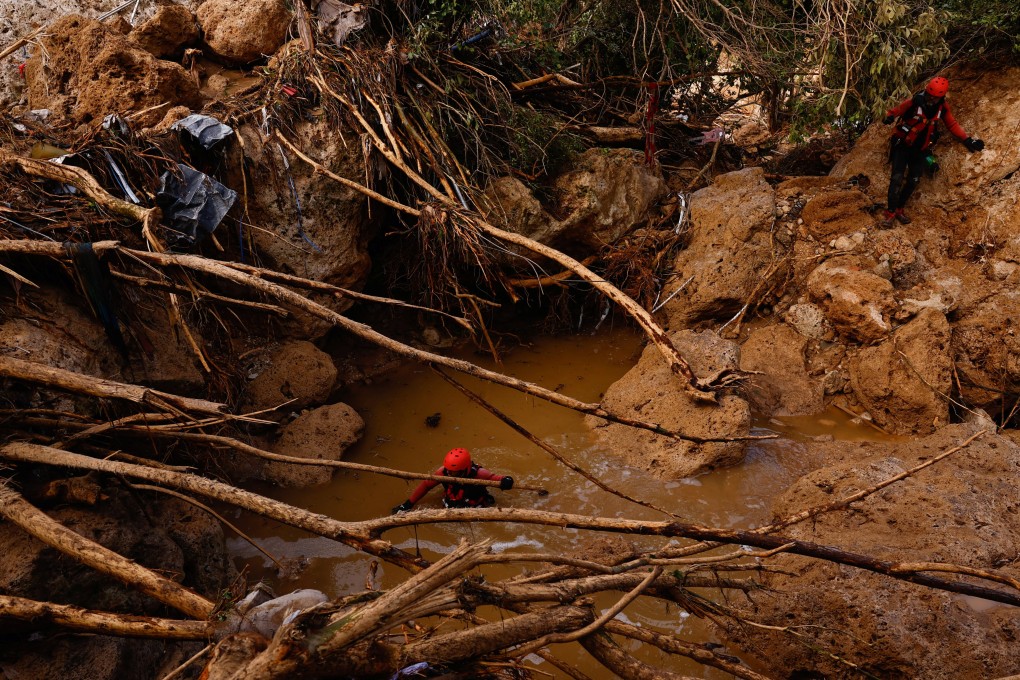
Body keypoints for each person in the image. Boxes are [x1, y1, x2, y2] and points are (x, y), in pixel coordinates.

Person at [880, 76, 985, 227]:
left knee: (913, 180)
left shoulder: (942, 108)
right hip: (902, 146)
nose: (931, 99)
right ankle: (890, 213)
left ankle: (899, 208)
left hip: (920, 149)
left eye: (935, 98)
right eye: (929, 96)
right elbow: (894, 111)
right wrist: (888, 118)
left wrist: (967, 140)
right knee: (896, 179)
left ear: (941, 97)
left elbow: (952, 124)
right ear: (926, 92)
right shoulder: (914, 102)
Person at [392, 448, 514, 512]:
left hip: (476, 506)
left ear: (464, 469)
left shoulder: (479, 474)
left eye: (454, 472)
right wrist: (408, 504)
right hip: (450, 503)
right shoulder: (442, 472)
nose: (450, 474)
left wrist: (506, 481)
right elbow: (426, 486)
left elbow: (497, 479)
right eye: (449, 471)